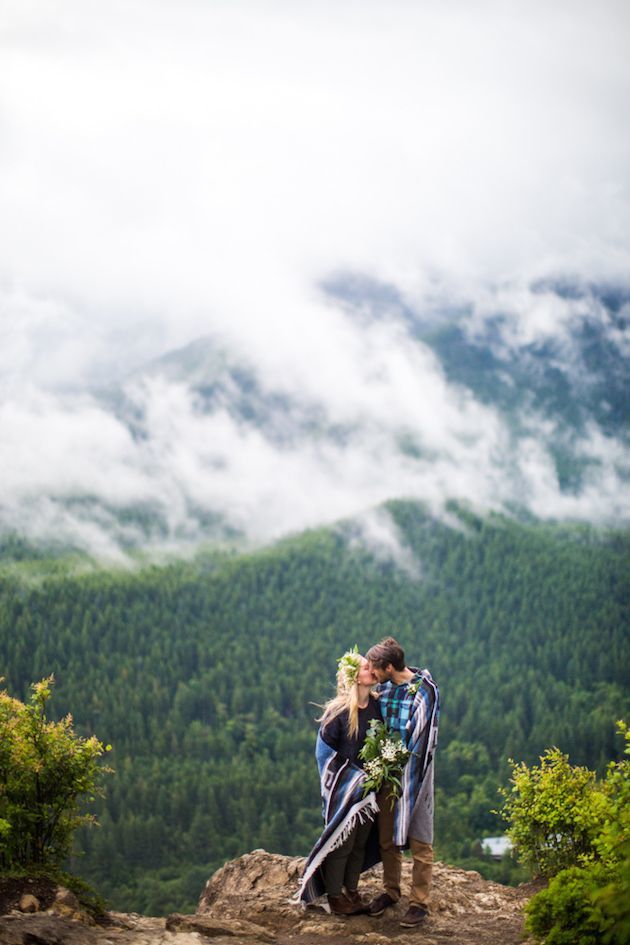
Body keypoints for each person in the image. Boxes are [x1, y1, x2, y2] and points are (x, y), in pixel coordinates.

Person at [298, 649, 382, 915]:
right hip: (345, 793)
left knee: (359, 843)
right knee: (342, 845)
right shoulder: (338, 713)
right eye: (367, 667)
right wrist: (345, 780)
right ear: (355, 677)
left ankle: (352, 890)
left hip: (369, 791)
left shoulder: (377, 705)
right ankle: (335, 897)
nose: (373, 670)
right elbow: (324, 755)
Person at [365, 636, 439, 929]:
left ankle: (419, 903)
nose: (372, 673)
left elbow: (424, 738)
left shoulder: (424, 692)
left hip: (416, 776)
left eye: (376, 668)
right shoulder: (383, 688)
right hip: (387, 773)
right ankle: (391, 891)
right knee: (387, 836)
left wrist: (400, 760)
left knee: (421, 841)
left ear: (390, 667)